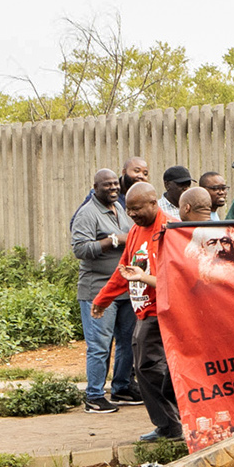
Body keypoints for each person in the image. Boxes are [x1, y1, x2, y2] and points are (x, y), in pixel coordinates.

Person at [90, 183, 183, 442]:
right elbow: (124, 270)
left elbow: (177, 276)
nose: (131, 214)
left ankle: (174, 424)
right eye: (128, 209)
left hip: (163, 310)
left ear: (153, 204)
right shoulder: (134, 231)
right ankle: (169, 424)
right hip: (143, 310)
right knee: (144, 367)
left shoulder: (170, 229)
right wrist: (103, 298)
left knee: (150, 367)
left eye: (136, 208)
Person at [70, 168, 136, 412]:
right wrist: (114, 240)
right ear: (95, 187)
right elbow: (80, 249)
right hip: (98, 289)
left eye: (115, 184)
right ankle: (94, 396)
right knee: (100, 345)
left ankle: (121, 388)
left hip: (124, 287)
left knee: (128, 341)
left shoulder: (119, 208)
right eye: (107, 185)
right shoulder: (87, 213)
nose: (113, 188)